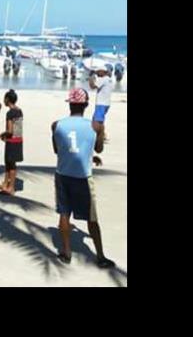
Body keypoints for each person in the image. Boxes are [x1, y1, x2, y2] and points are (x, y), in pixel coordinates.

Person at [52, 88, 115, 268]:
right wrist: (99, 137)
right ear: (86, 105)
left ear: (70, 104)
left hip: (63, 174)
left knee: (64, 212)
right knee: (91, 218)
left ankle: (66, 252)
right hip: (83, 176)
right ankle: (100, 255)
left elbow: (58, 150)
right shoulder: (95, 126)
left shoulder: (57, 125)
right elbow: (99, 148)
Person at [0, 89, 23, 195]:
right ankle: (5, 184)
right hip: (18, 139)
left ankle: (11, 187)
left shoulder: (10, 113)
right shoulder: (19, 110)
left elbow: (10, 130)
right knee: (9, 162)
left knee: (11, 164)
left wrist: (2, 135)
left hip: (12, 140)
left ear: (7, 100)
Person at [88, 67, 113, 139]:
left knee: (97, 121)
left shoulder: (103, 79)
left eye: (98, 72)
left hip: (101, 103)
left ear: (102, 71)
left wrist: (91, 77)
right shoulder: (109, 79)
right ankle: (102, 135)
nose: (97, 73)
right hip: (106, 103)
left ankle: (102, 135)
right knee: (99, 120)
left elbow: (93, 86)